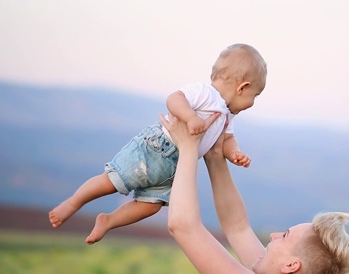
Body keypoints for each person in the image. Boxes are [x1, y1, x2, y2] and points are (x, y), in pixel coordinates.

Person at [163, 114, 349, 274]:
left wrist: (188, 148)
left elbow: (183, 226)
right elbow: (238, 227)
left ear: (291, 265)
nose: (274, 236)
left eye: (285, 236)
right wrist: (214, 156)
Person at [48, 43, 267, 244]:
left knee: (150, 206)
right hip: (156, 149)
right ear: (242, 87)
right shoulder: (204, 93)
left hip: (175, 167)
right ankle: (73, 202)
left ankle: (108, 221)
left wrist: (234, 152)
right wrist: (191, 117)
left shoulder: (227, 116)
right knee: (111, 181)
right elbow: (174, 99)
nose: (253, 103)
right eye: (255, 95)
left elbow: (227, 140)